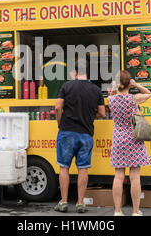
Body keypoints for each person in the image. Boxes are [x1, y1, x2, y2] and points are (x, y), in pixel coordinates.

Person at [53, 59, 105, 213]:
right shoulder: (96, 90)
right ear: (87, 72)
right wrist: (89, 116)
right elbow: (102, 113)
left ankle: (63, 202)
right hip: (86, 134)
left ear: (75, 72)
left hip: (66, 132)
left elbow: (57, 107)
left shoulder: (67, 86)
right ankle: (80, 203)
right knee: (83, 169)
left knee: (64, 167)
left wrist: (60, 123)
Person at [108, 71, 151, 216]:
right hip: (134, 138)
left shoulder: (111, 99)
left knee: (118, 176)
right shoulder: (134, 98)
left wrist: (115, 86)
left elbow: (114, 92)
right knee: (135, 177)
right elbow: (149, 93)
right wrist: (136, 84)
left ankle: (117, 211)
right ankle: (134, 212)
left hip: (118, 139)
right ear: (129, 83)